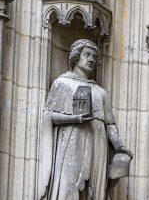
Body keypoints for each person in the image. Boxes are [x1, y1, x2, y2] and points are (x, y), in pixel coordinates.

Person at [38, 40, 133, 200]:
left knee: (95, 191)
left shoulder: (100, 92)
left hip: (97, 143)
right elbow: (49, 116)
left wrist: (120, 147)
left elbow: (110, 125)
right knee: (68, 187)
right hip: (72, 143)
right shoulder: (62, 83)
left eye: (94, 57)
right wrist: (74, 119)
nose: (91, 60)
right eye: (86, 55)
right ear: (76, 57)